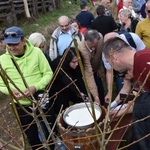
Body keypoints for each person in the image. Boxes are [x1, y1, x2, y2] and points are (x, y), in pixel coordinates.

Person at [0, 26, 55, 150]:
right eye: (9, 44)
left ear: (23, 41)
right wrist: (10, 91)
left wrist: (35, 87)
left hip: (40, 98)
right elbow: (1, 84)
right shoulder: (2, 61)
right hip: (21, 104)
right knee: (31, 135)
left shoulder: (36, 53)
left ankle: (51, 147)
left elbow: (48, 73)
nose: (12, 47)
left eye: (15, 44)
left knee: (49, 128)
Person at [103, 37, 150, 149]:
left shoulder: (143, 60)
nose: (112, 68)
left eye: (110, 63)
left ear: (114, 58)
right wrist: (122, 111)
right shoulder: (136, 69)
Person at [103, 32, 146, 105]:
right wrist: (114, 104)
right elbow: (125, 88)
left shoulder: (143, 63)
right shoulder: (131, 67)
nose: (111, 65)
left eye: (109, 62)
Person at [50, 47, 88, 114]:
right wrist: (79, 93)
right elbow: (67, 80)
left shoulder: (75, 65)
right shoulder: (58, 65)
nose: (77, 64)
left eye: (78, 61)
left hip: (71, 83)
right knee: (63, 109)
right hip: (58, 89)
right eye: (74, 62)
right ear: (67, 60)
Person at [78, 29, 105, 105]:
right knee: (92, 94)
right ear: (86, 40)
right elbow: (88, 72)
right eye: (91, 46)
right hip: (87, 71)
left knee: (101, 91)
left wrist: (100, 68)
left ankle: (102, 106)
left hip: (96, 69)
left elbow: (101, 55)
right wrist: (96, 96)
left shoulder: (100, 37)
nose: (93, 48)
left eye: (95, 46)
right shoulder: (82, 50)